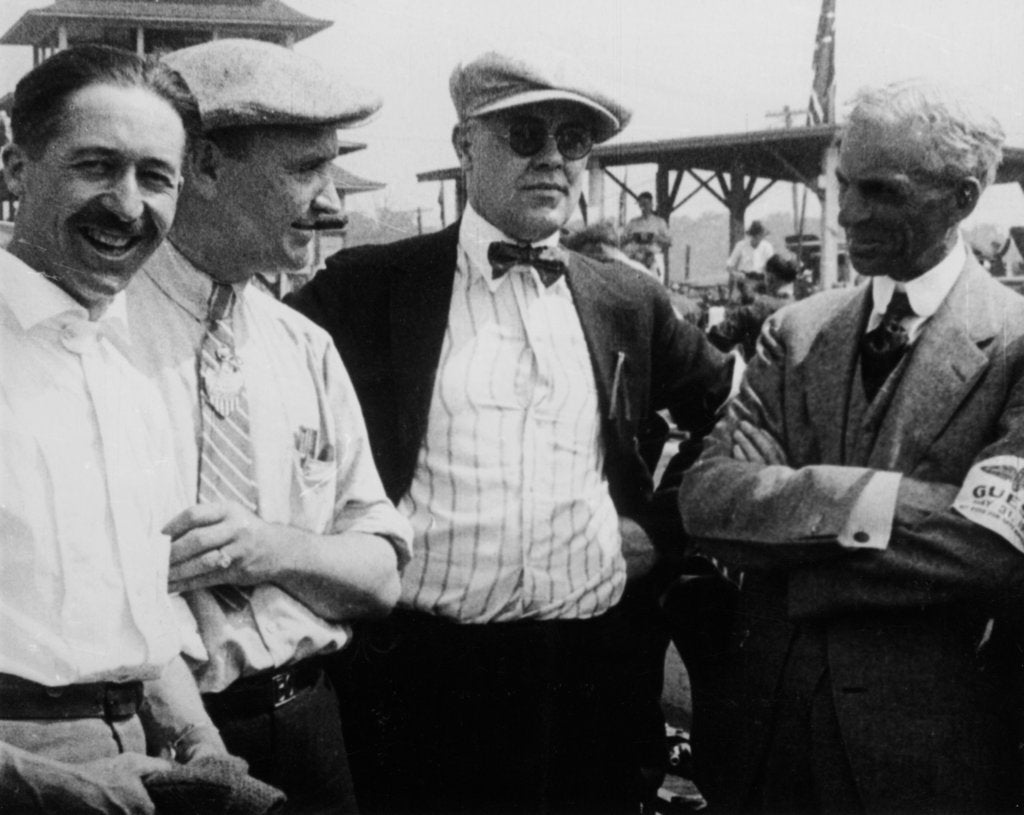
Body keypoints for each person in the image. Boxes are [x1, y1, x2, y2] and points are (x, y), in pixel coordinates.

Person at [287, 49, 734, 815]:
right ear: (465, 147)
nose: (554, 159)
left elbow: (733, 409)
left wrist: (659, 526)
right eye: (527, 133)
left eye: (576, 140)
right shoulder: (367, 288)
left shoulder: (629, 298)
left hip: (592, 672)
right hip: (422, 674)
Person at [678, 80, 1024, 813]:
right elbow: (705, 498)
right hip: (763, 737)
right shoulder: (797, 331)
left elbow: (993, 548)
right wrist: (889, 514)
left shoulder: (1015, 347)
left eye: (880, 191)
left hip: (926, 754)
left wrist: (787, 514)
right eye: (842, 185)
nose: (848, 211)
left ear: (962, 198)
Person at [124, 39, 412, 815]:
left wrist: (270, 546)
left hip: (311, 725)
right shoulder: (99, 335)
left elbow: (382, 575)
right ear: (206, 168)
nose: (335, 203)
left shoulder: (304, 347)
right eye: (305, 169)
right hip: (162, 743)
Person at [0, 44, 238, 812]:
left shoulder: (128, 371)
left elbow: (136, 610)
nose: (129, 206)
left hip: (135, 760)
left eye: (155, 177)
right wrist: (45, 780)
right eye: (96, 166)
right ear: (14, 170)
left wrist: (200, 739)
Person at [708, 252, 799, 358]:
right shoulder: (800, 309)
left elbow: (718, 336)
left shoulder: (760, 307)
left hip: (758, 371)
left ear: (770, 278)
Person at [623, 191, 673, 280]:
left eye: (645, 204)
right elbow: (622, 240)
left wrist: (656, 238)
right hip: (637, 259)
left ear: (651, 204)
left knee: (655, 285)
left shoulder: (659, 222)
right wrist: (632, 238)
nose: (643, 207)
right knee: (637, 285)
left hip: (654, 258)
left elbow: (669, 242)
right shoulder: (633, 223)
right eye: (641, 204)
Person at [725, 219, 774, 297]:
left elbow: (772, 266)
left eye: (762, 235)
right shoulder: (741, 245)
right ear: (753, 235)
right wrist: (737, 274)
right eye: (757, 235)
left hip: (760, 281)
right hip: (744, 280)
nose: (759, 237)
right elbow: (729, 266)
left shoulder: (767, 247)